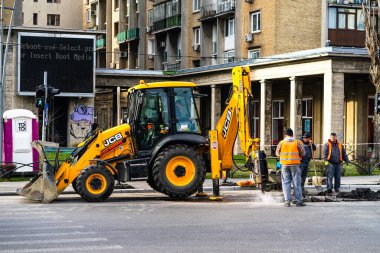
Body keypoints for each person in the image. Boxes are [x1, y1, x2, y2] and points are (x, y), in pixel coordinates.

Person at [276, 128, 306, 207]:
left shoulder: (281, 143)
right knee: (296, 183)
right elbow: (303, 152)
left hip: (285, 165)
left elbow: (277, 153)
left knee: (286, 183)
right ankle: (299, 201)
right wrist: (299, 156)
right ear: (292, 134)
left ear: (285, 135)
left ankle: (287, 202)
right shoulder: (297, 142)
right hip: (295, 165)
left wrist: (282, 157)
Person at [299, 132, 316, 197]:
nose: (305, 139)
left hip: (306, 162)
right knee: (300, 177)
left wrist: (312, 144)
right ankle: (299, 190)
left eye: (306, 138)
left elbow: (314, 148)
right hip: (301, 162)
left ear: (309, 138)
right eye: (304, 138)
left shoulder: (310, 143)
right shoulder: (300, 143)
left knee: (304, 177)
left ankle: (302, 188)